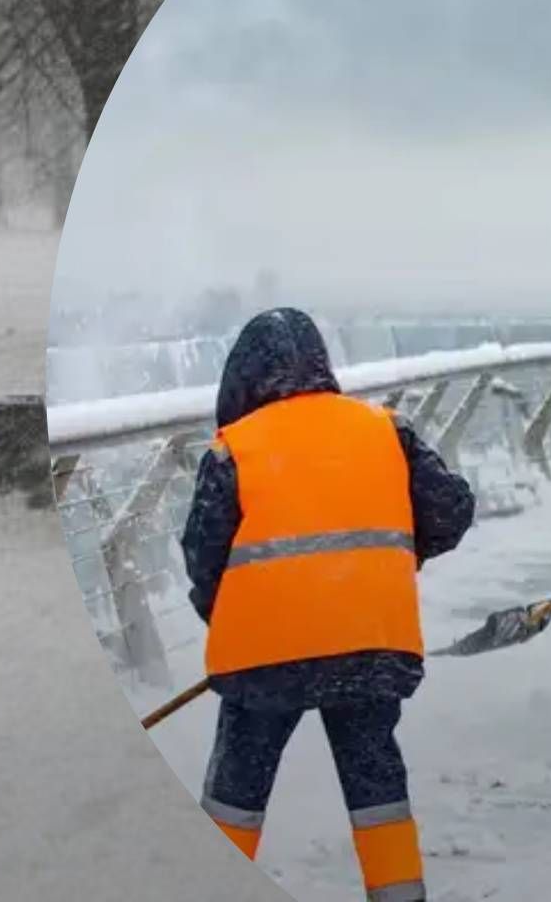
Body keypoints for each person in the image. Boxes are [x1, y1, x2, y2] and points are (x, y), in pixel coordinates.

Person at [180, 307, 474, 901]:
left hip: (263, 654)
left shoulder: (233, 449)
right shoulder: (386, 430)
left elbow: (203, 556)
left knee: (237, 792)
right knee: (377, 788)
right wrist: (388, 561)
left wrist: (229, 614)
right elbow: (451, 510)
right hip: (370, 640)